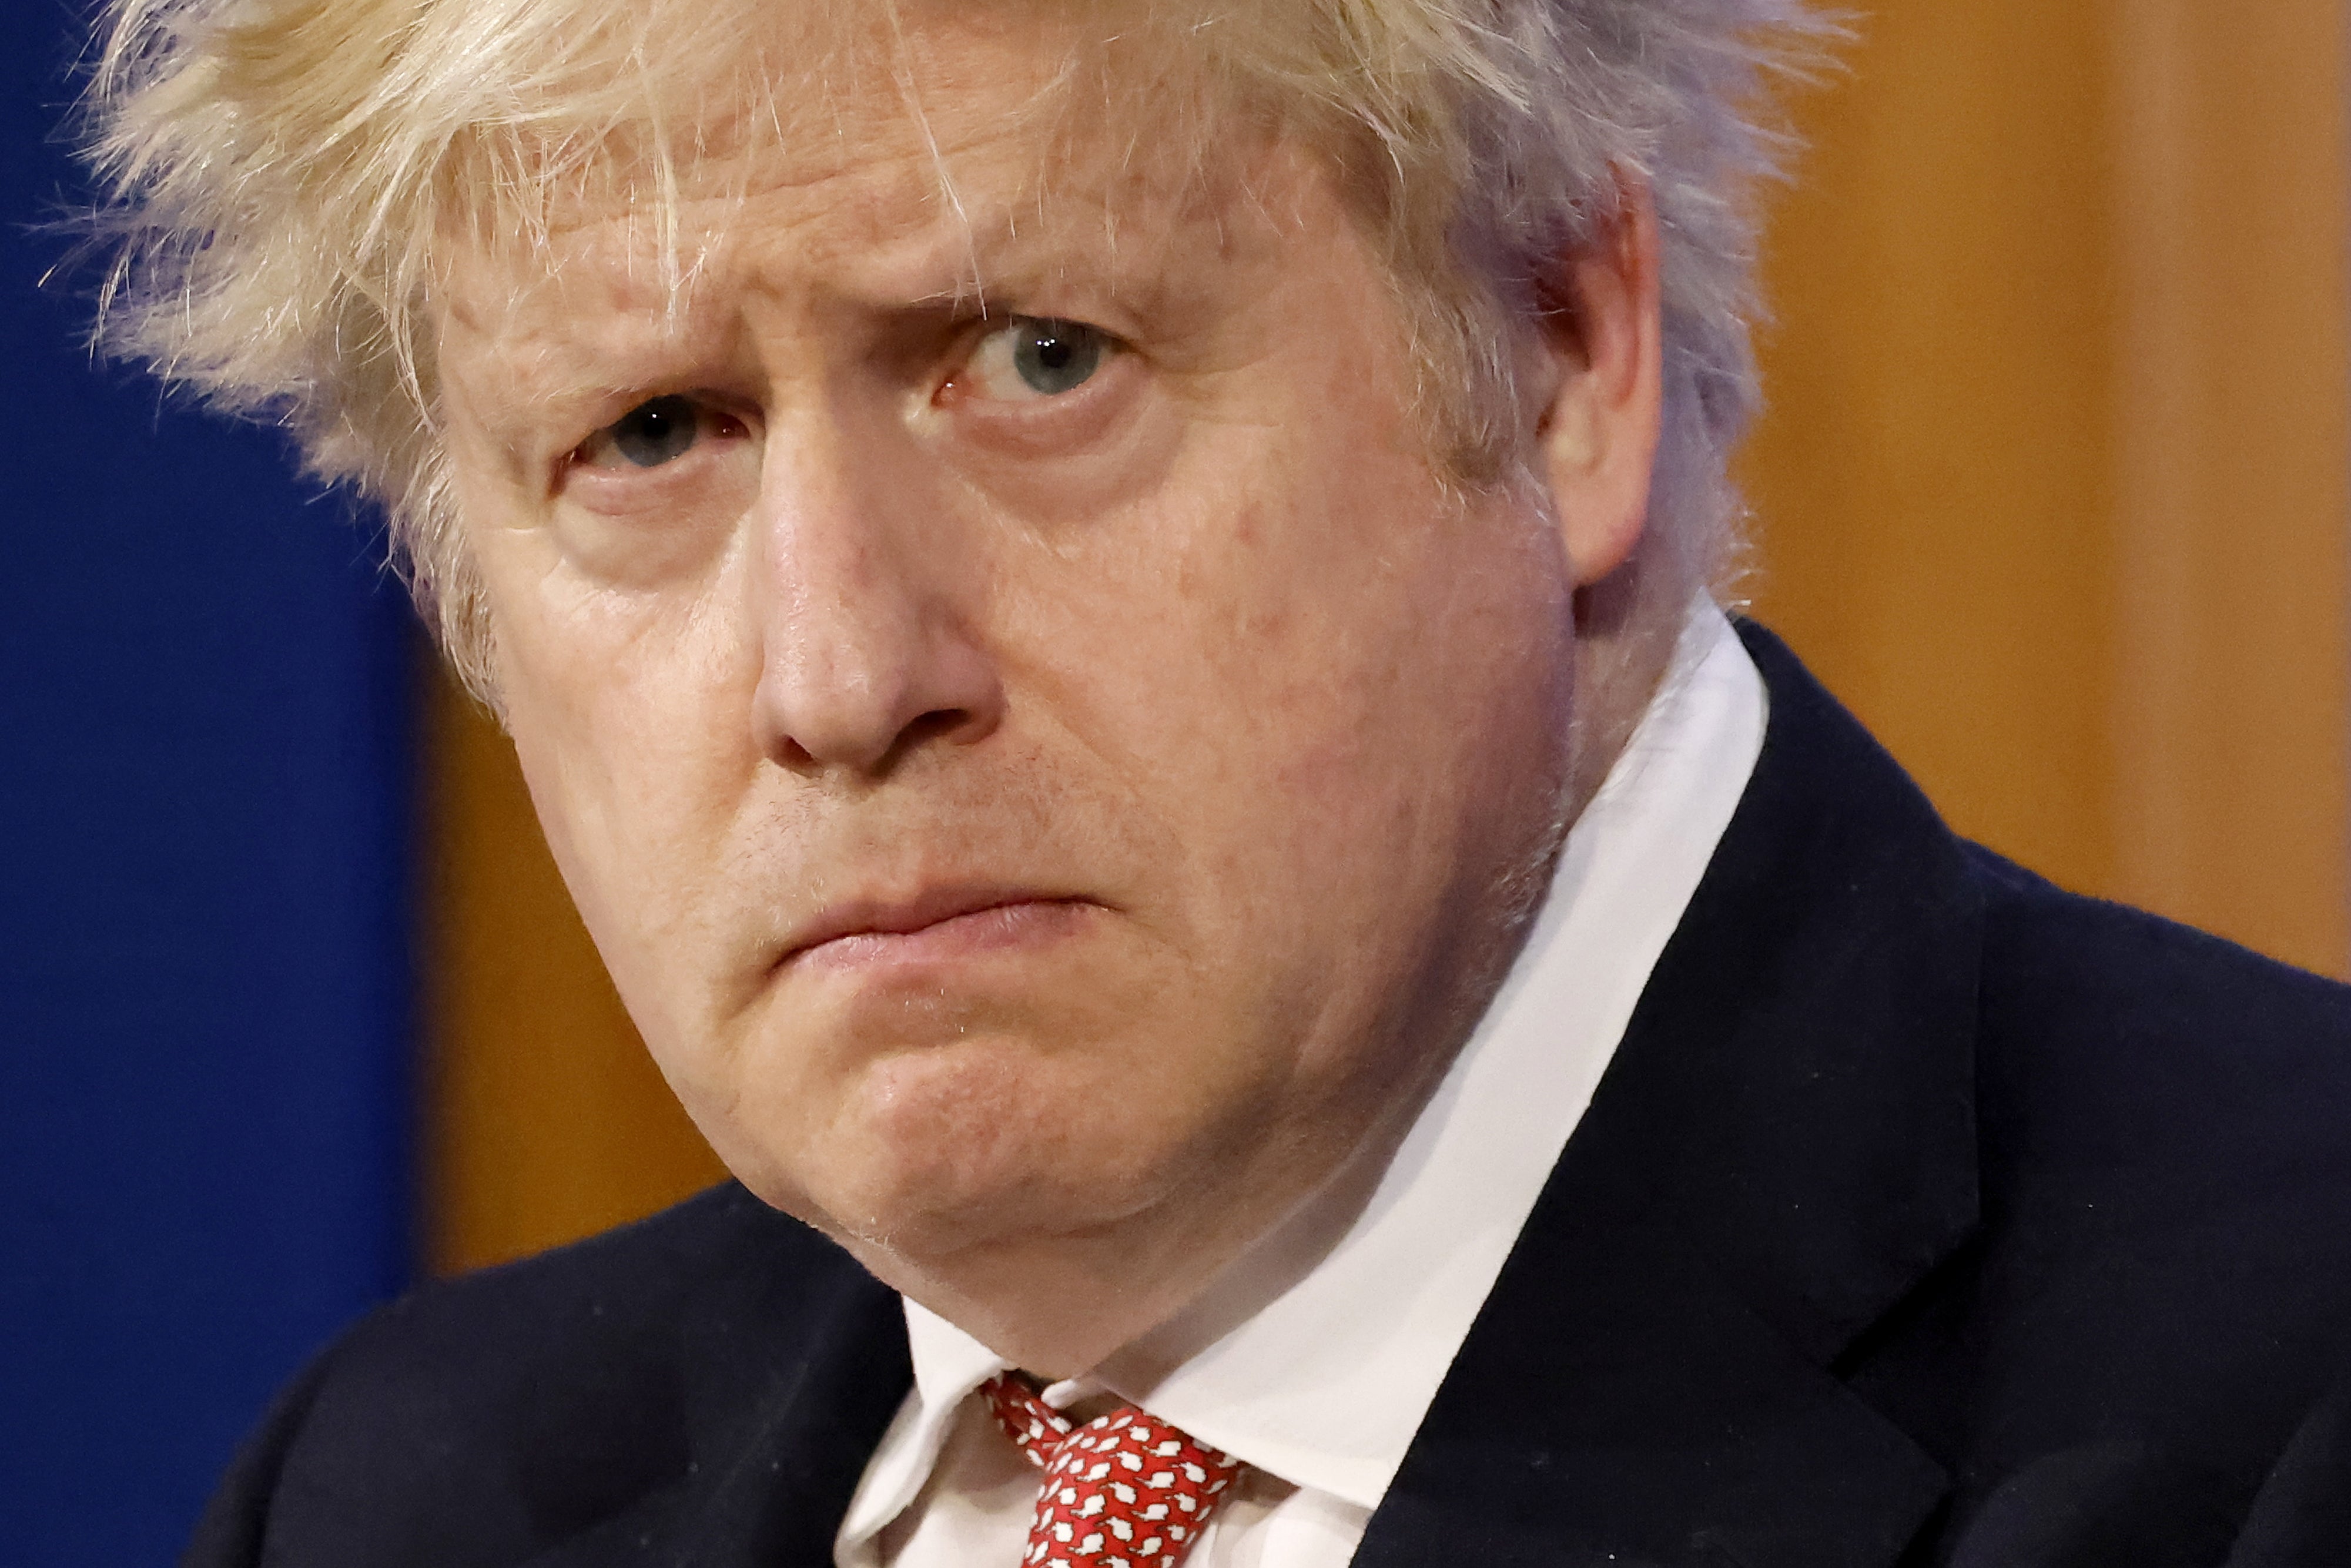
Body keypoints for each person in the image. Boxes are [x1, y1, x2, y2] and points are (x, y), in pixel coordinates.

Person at [78, 0, 2351, 1563]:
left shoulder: (2273, 1418)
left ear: (1562, 349)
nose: (845, 673)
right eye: (651, 433)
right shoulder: (400, 1497)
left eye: (1038, 360)